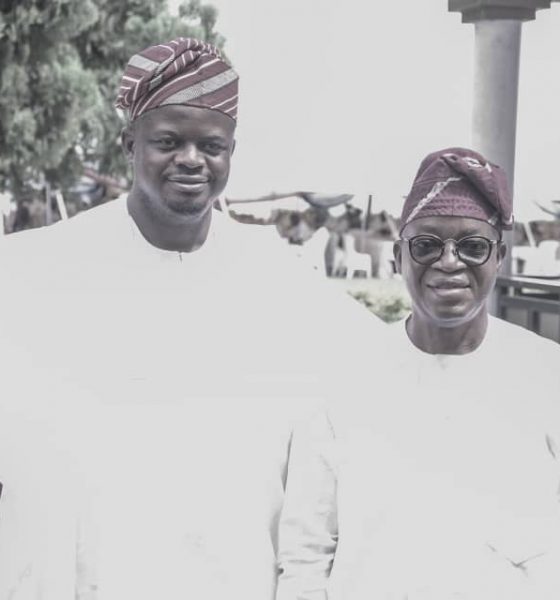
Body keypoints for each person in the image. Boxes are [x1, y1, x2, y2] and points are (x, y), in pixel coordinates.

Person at [0, 38, 386, 600]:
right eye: (167, 141)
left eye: (211, 145)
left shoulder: (279, 278)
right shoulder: (35, 268)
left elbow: (386, 365)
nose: (190, 159)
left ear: (231, 151)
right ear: (129, 143)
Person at [276, 148, 560, 600]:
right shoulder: (342, 379)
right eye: (426, 245)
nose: (449, 262)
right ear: (397, 257)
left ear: (499, 258)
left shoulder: (547, 374)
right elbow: (305, 555)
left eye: (473, 246)